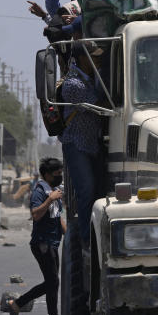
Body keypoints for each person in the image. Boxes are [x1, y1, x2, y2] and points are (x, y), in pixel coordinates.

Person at [6, 157, 66, 315]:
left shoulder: (54, 190)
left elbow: (58, 217)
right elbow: (35, 214)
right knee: (53, 282)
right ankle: (22, 306)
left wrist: (68, 236)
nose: (59, 177)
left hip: (53, 242)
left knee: (52, 282)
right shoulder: (40, 191)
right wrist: (50, 200)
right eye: (56, 174)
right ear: (47, 175)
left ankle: (20, 306)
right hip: (42, 243)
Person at [59, 41, 105, 254]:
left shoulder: (89, 78)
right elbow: (100, 103)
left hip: (91, 144)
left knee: (97, 191)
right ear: (81, 59)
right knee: (86, 191)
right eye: (93, 56)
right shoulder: (73, 85)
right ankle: (87, 242)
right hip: (77, 144)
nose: (97, 60)